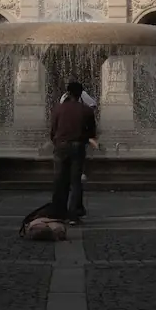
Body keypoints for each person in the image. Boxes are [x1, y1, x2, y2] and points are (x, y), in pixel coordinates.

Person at [48, 80, 98, 222]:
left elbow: (53, 130)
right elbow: (92, 132)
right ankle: (74, 214)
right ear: (81, 94)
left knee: (59, 179)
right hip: (77, 146)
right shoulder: (87, 111)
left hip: (61, 145)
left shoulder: (58, 109)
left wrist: (56, 142)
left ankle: (58, 212)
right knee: (75, 181)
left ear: (68, 93)